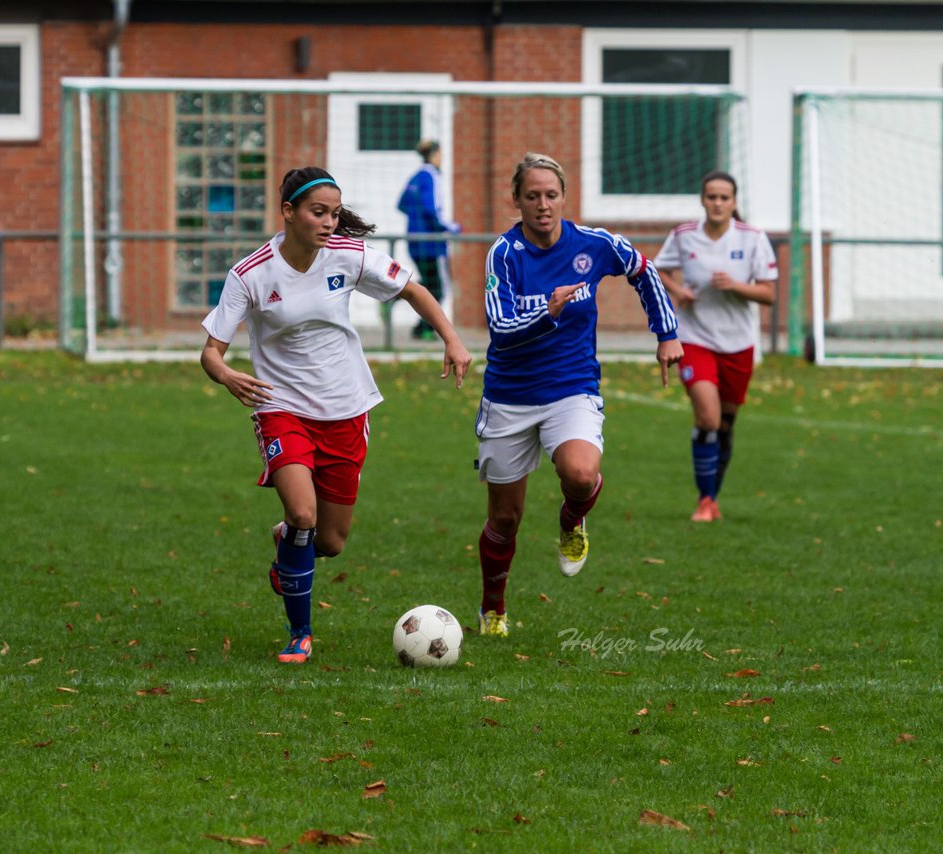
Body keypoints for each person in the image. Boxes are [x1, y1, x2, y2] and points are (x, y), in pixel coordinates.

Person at [201, 166, 473, 664]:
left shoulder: (349, 255)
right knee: (303, 513)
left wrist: (452, 340)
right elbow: (211, 351)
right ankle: (300, 633)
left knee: (329, 541)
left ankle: (287, 544)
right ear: (288, 212)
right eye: (317, 212)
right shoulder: (251, 273)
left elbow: (412, 289)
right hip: (281, 407)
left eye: (333, 213)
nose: (329, 223)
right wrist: (226, 374)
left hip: (346, 408)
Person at [474, 152, 682, 638]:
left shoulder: (594, 244)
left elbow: (642, 270)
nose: (543, 205)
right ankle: (493, 608)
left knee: (581, 473)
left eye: (551, 195)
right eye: (532, 196)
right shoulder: (504, 255)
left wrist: (667, 333)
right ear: (517, 200)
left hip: (572, 387)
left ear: (564, 197)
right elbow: (501, 329)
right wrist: (547, 313)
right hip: (509, 396)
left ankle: (572, 521)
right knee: (505, 518)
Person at [655, 171, 778, 522]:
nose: (718, 203)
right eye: (712, 197)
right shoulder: (683, 236)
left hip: (738, 343)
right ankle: (705, 500)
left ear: (734, 202)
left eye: (724, 198)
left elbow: (768, 293)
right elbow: (658, 270)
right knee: (708, 417)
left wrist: (737, 286)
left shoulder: (753, 238)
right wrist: (679, 292)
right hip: (694, 339)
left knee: (725, 424)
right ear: (702, 200)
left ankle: (713, 496)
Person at [397, 140, 461, 340]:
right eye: (441, 154)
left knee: (428, 284)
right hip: (430, 243)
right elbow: (431, 209)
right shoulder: (431, 176)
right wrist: (450, 227)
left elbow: (401, 204)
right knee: (438, 289)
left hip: (414, 240)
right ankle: (425, 328)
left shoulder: (415, 176)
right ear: (434, 155)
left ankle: (395, 299)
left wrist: (416, 221)